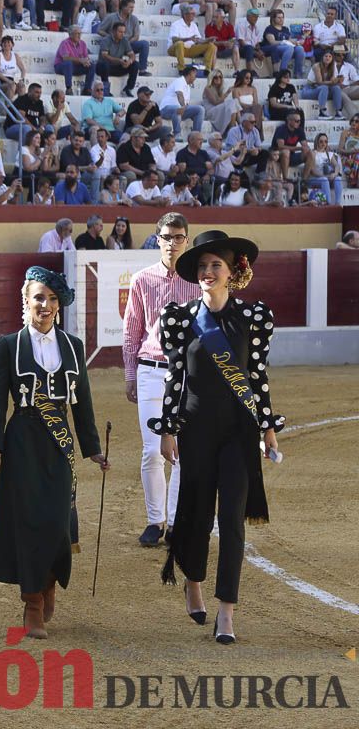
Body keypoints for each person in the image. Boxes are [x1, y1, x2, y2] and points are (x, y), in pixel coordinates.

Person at [151, 230, 282, 644]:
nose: (208, 272)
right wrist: (168, 429)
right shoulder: (178, 317)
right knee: (197, 513)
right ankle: (194, 581)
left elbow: (256, 378)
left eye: (216, 266)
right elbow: (175, 378)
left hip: (239, 433)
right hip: (195, 429)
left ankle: (226, 611)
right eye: (203, 266)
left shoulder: (254, 317)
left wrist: (267, 428)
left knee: (231, 521)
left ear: (232, 272)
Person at [0, 266, 107, 639]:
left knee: (56, 523)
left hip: (59, 445)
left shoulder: (73, 346)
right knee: (27, 523)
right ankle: (32, 601)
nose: (46, 305)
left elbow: (82, 401)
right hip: (21, 441)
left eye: (52, 299)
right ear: (26, 299)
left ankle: (49, 583)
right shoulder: (8, 345)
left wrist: (93, 449)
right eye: (39, 297)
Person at [121, 212, 201, 546]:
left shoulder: (197, 282)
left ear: (186, 239)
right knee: (152, 451)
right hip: (151, 370)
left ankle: (177, 523)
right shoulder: (141, 279)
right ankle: (156, 522)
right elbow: (132, 331)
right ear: (157, 238)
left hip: (186, 375)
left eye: (178, 237)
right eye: (166, 237)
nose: (172, 243)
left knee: (181, 452)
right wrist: (129, 375)